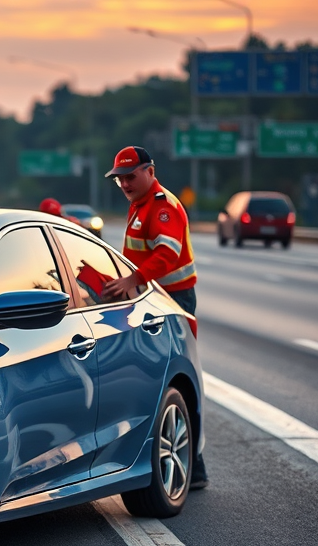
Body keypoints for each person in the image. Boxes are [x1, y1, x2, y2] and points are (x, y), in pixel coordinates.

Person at [102, 145, 208, 489]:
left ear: (150, 171)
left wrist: (132, 280)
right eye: (119, 179)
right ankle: (188, 466)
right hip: (153, 298)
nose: (125, 184)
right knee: (157, 378)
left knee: (174, 377)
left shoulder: (163, 207)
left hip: (174, 301)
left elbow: (167, 254)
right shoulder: (140, 204)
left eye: (131, 176)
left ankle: (194, 466)